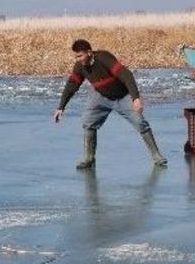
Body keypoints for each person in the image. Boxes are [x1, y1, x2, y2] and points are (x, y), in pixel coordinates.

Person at [53, 39, 168, 169]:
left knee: (140, 122)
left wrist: (135, 98)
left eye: (80, 56)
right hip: (100, 97)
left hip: (122, 96)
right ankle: (88, 158)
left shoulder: (104, 58)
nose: (78, 59)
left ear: (89, 52)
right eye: (76, 56)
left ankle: (157, 156)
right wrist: (61, 107)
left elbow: (126, 75)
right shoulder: (79, 67)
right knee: (88, 122)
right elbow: (72, 85)